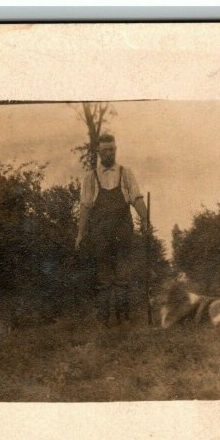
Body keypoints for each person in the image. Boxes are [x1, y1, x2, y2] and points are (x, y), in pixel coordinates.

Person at [76, 133, 149, 326]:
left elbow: (136, 198)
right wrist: (80, 233)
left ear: (116, 149)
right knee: (103, 277)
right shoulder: (90, 178)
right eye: (105, 150)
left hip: (123, 231)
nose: (109, 153)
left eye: (112, 149)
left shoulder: (126, 173)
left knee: (123, 275)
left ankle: (123, 319)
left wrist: (146, 219)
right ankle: (103, 321)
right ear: (98, 152)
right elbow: (85, 206)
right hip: (100, 234)